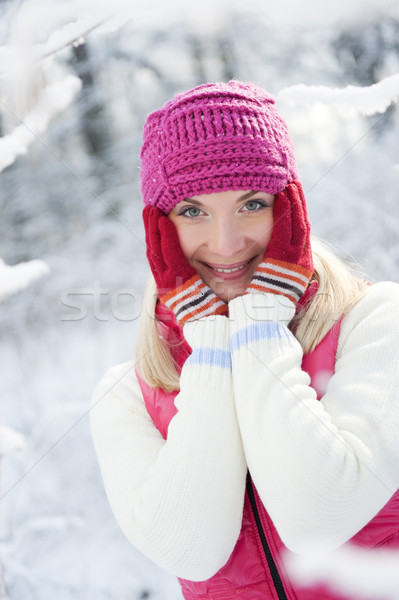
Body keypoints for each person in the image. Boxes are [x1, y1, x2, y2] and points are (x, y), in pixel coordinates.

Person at [90, 80, 399, 600]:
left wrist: (259, 326)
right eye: (192, 212)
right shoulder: (125, 393)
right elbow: (192, 550)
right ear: (158, 231)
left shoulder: (376, 323)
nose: (227, 243)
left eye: (252, 204)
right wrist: (210, 346)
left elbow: (318, 518)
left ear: (290, 209)